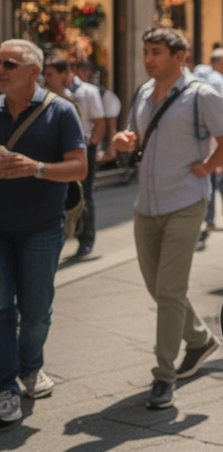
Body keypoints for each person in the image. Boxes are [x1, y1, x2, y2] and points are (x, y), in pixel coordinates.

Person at [111, 28, 223, 410]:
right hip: (146, 205)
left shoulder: (203, 94)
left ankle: (164, 376)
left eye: (157, 52)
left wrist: (209, 167)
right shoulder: (144, 93)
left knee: (168, 291)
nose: (148, 59)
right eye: (146, 51)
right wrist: (124, 140)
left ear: (180, 56)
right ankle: (200, 340)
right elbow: (136, 135)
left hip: (185, 202)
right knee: (160, 288)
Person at [0, 39, 88, 423]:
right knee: (1, 308)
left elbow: (79, 168)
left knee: (35, 311)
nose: (0, 69)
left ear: (34, 72)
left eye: (9, 63)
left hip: (41, 228)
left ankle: (31, 366)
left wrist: (34, 167)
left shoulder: (61, 112)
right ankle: (6, 385)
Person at [40, 58, 104, 257]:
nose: (46, 79)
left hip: (81, 149)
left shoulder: (85, 93)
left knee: (82, 194)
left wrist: (92, 145)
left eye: (50, 74)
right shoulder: (41, 98)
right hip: (55, 152)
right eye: (45, 75)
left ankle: (86, 238)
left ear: (63, 74)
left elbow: (99, 122)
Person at [192, 50, 223, 236]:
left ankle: (205, 218)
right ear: (222, 63)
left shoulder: (194, 76)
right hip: (212, 139)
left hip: (192, 139)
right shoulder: (217, 81)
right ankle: (211, 217)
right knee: (213, 175)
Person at [72, 59, 120, 166]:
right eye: (84, 70)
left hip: (93, 147)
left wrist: (109, 149)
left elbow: (111, 125)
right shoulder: (72, 90)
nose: (87, 74)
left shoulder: (105, 95)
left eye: (89, 71)